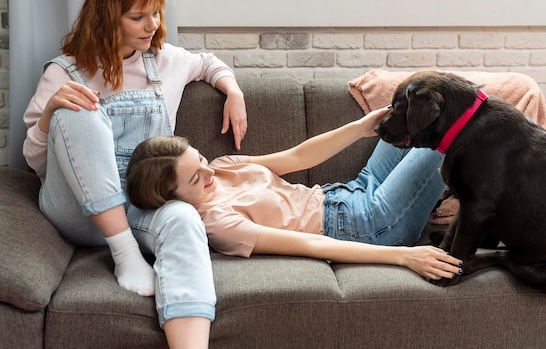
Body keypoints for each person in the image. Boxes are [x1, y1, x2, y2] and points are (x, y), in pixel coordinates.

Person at [22, 0, 247, 348]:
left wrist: (234, 91)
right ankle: (125, 253)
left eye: (156, 13)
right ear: (108, 16)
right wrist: (52, 114)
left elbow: (209, 64)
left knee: (182, 218)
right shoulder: (64, 72)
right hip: (75, 210)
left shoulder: (166, 62)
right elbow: (34, 160)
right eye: (138, 17)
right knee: (78, 108)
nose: (153, 25)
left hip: (142, 203)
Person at [125, 107, 465, 281]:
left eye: (200, 158)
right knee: (448, 136)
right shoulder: (219, 224)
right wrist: (406, 257)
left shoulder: (223, 164)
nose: (210, 171)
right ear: (173, 199)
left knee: (409, 118)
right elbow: (312, 246)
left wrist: (361, 128)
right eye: (197, 179)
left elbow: (298, 157)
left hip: (351, 190)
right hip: (372, 223)